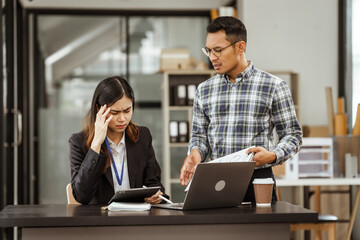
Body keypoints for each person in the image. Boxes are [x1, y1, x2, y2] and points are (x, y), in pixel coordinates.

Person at [180, 16, 302, 203]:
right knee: (215, 233)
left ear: (240, 47)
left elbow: (293, 134)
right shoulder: (204, 90)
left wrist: (273, 155)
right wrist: (195, 153)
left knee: (260, 232)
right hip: (214, 179)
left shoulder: (273, 86)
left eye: (218, 50)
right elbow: (199, 136)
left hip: (258, 179)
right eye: (209, 50)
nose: (213, 57)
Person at [69, 76, 167, 205]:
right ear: (100, 109)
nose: (122, 119)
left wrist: (156, 196)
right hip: (100, 220)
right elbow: (81, 196)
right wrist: (96, 145)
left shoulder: (142, 136)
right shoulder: (78, 142)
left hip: (136, 218)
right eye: (115, 112)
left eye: (127, 110)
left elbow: (153, 183)